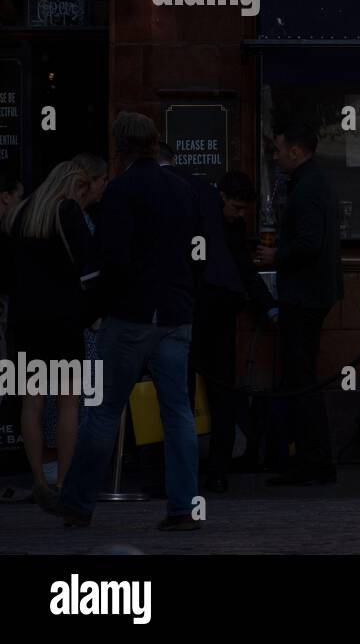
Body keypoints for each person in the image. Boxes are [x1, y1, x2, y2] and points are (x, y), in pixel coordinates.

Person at [40, 112, 203, 530]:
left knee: (105, 411)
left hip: (131, 314)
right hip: (175, 312)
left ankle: (77, 503)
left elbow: (110, 258)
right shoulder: (183, 189)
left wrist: (92, 305)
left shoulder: (121, 191)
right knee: (178, 412)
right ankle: (182, 506)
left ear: (120, 146)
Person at [0, 162, 96, 499]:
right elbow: (89, 259)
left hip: (24, 321)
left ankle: (39, 480)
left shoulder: (18, 213)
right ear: (75, 186)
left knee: (31, 403)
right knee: (69, 403)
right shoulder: (66, 211)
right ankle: (64, 482)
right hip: (63, 320)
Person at [256, 121, 343, 486]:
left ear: (295, 150)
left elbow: (309, 243)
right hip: (312, 292)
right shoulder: (313, 180)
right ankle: (305, 457)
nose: (275, 157)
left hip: (305, 294)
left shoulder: (307, 186)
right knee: (298, 376)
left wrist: (275, 255)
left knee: (301, 376)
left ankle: (313, 459)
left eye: (278, 149)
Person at [190, 170, 278, 493]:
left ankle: (212, 470)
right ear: (222, 197)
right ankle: (213, 470)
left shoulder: (211, 216)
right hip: (206, 310)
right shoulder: (206, 215)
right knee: (217, 392)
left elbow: (242, 267)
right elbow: (240, 267)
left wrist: (268, 304)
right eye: (237, 207)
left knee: (213, 392)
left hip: (206, 311)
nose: (240, 215)